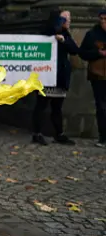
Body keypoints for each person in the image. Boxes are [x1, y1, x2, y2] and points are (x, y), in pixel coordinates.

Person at [31, 10, 79, 145]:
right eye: (64, 19)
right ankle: (37, 133)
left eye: (68, 19)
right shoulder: (46, 32)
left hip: (60, 75)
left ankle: (59, 133)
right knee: (41, 104)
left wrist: (64, 40)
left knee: (57, 106)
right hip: (46, 75)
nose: (68, 21)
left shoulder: (65, 34)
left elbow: (75, 50)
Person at [79, 9, 106, 147]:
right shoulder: (92, 34)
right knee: (101, 106)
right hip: (98, 75)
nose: (103, 21)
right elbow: (82, 53)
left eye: (105, 18)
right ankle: (103, 137)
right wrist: (98, 53)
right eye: (101, 18)